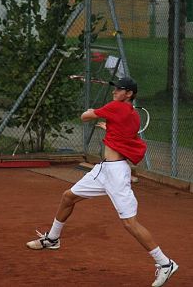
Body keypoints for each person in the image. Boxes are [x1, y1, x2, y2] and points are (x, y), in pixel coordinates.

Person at [26, 77, 179, 287]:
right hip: (103, 170)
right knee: (68, 197)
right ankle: (52, 239)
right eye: (115, 88)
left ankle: (165, 263)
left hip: (116, 174)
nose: (115, 91)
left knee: (129, 223)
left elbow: (84, 117)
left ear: (129, 94)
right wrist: (109, 126)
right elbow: (122, 134)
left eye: (120, 89)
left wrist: (92, 110)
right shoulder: (132, 116)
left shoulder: (116, 107)